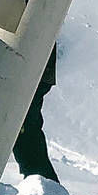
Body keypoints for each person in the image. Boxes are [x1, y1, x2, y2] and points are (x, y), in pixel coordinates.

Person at [12, 47, 60, 183]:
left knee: (25, 130)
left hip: (30, 75)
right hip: (34, 74)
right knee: (26, 129)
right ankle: (41, 181)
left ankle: (41, 180)